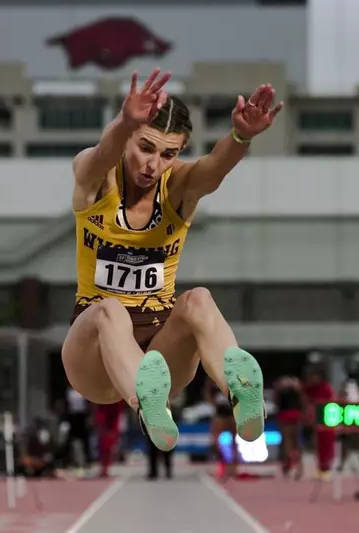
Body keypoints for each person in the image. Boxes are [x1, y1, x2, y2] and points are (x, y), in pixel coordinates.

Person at [62, 68, 280, 452]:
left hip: (161, 358)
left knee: (198, 299)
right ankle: (144, 401)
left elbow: (213, 171)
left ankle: (242, 394)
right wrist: (125, 122)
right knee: (108, 310)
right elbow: (99, 157)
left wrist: (241, 137)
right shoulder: (98, 178)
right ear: (128, 137)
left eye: (168, 153)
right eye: (145, 147)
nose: (153, 165)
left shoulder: (178, 186)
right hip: (94, 361)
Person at [303, 365, 335, 480]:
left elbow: (329, 402)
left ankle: (326, 467)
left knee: (327, 443)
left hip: (326, 420)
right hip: (315, 421)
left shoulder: (326, 388)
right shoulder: (309, 388)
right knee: (318, 444)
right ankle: (320, 467)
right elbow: (305, 400)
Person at [274, 376, 305, 479]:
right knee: (296, 443)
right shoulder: (296, 387)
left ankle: (289, 464)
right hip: (293, 413)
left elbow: (276, 401)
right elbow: (302, 401)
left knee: (287, 442)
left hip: (286, 414)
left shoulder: (281, 387)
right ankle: (298, 467)